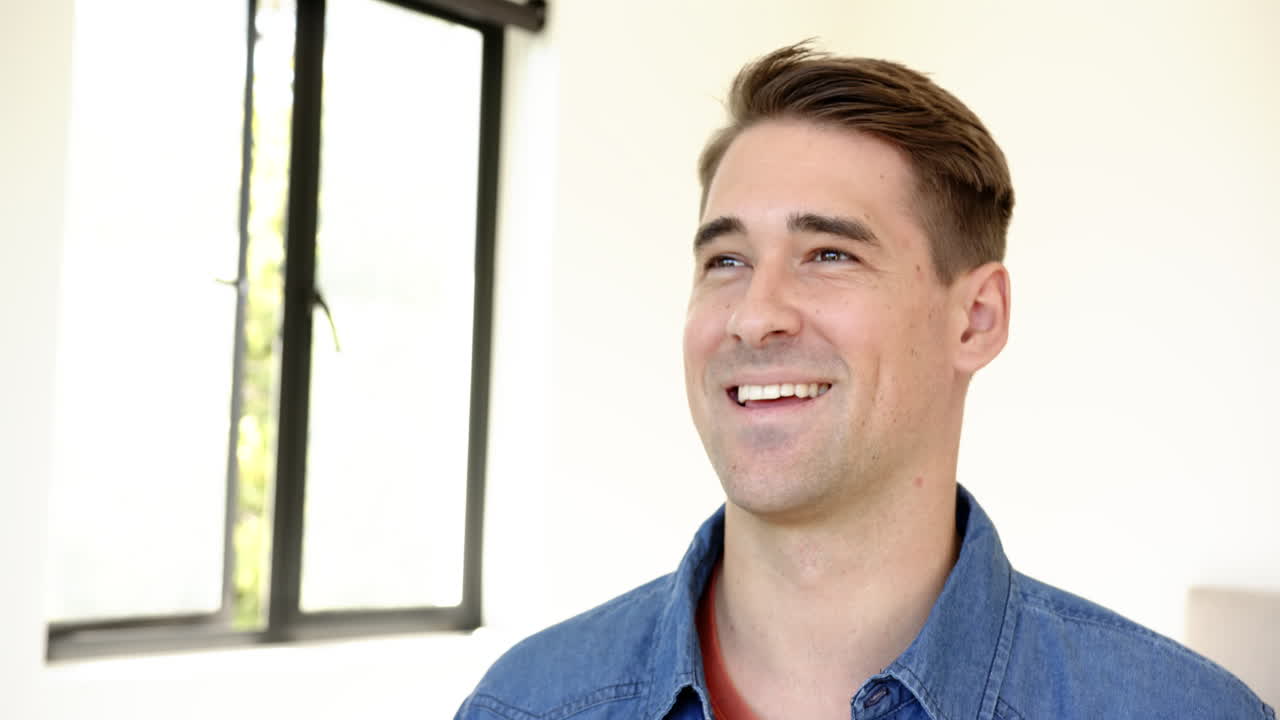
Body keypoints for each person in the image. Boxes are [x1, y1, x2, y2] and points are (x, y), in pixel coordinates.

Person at [455, 43, 1275, 720]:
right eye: (726, 260)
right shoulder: (526, 704)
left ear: (977, 319)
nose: (753, 315)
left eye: (829, 255)